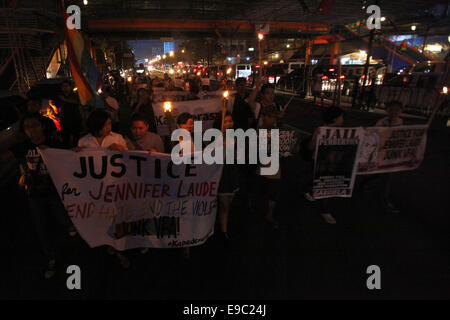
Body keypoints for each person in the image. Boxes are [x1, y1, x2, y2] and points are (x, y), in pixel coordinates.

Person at [12, 113, 76, 279]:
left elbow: (69, 161)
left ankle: (72, 253)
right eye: (27, 127)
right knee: (42, 227)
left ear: (42, 126)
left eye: (35, 125)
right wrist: (24, 176)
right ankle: (52, 257)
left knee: (64, 221)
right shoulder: (22, 147)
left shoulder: (54, 143)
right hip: (35, 194)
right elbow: (21, 165)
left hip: (55, 192)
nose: (31, 130)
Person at [307, 107, 345, 224]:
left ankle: (324, 208)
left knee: (324, 183)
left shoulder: (342, 131)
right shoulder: (321, 130)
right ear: (335, 118)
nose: (342, 119)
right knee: (320, 181)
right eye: (341, 117)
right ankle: (325, 211)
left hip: (331, 163)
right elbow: (311, 147)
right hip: (320, 162)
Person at [252, 105, 282, 229]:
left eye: (271, 117)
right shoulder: (257, 131)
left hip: (275, 168)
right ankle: (257, 215)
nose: (267, 119)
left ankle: (269, 214)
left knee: (273, 193)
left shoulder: (279, 131)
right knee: (260, 192)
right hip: (261, 167)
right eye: (266, 116)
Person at [212, 112, 240, 240]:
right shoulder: (214, 137)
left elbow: (238, 157)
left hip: (232, 173)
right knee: (224, 205)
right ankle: (223, 232)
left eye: (231, 121)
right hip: (221, 174)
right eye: (226, 121)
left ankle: (223, 226)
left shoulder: (236, 136)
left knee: (228, 203)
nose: (229, 124)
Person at [374, 100, 404, 213]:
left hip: (391, 156)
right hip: (381, 153)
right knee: (379, 174)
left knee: (387, 177)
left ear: (401, 111)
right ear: (387, 110)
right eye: (391, 110)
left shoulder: (401, 123)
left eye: (397, 110)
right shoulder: (381, 122)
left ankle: (384, 198)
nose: (394, 112)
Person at [56, 80, 83, 148]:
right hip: (65, 121)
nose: (65, 88)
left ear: (70, 87)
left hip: (75, 120)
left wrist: (65, 100)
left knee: (76, 139)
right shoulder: (59, 97)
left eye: (66, 86)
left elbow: (77, 102)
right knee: (66, 139)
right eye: (63, 86)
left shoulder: (75, 95)